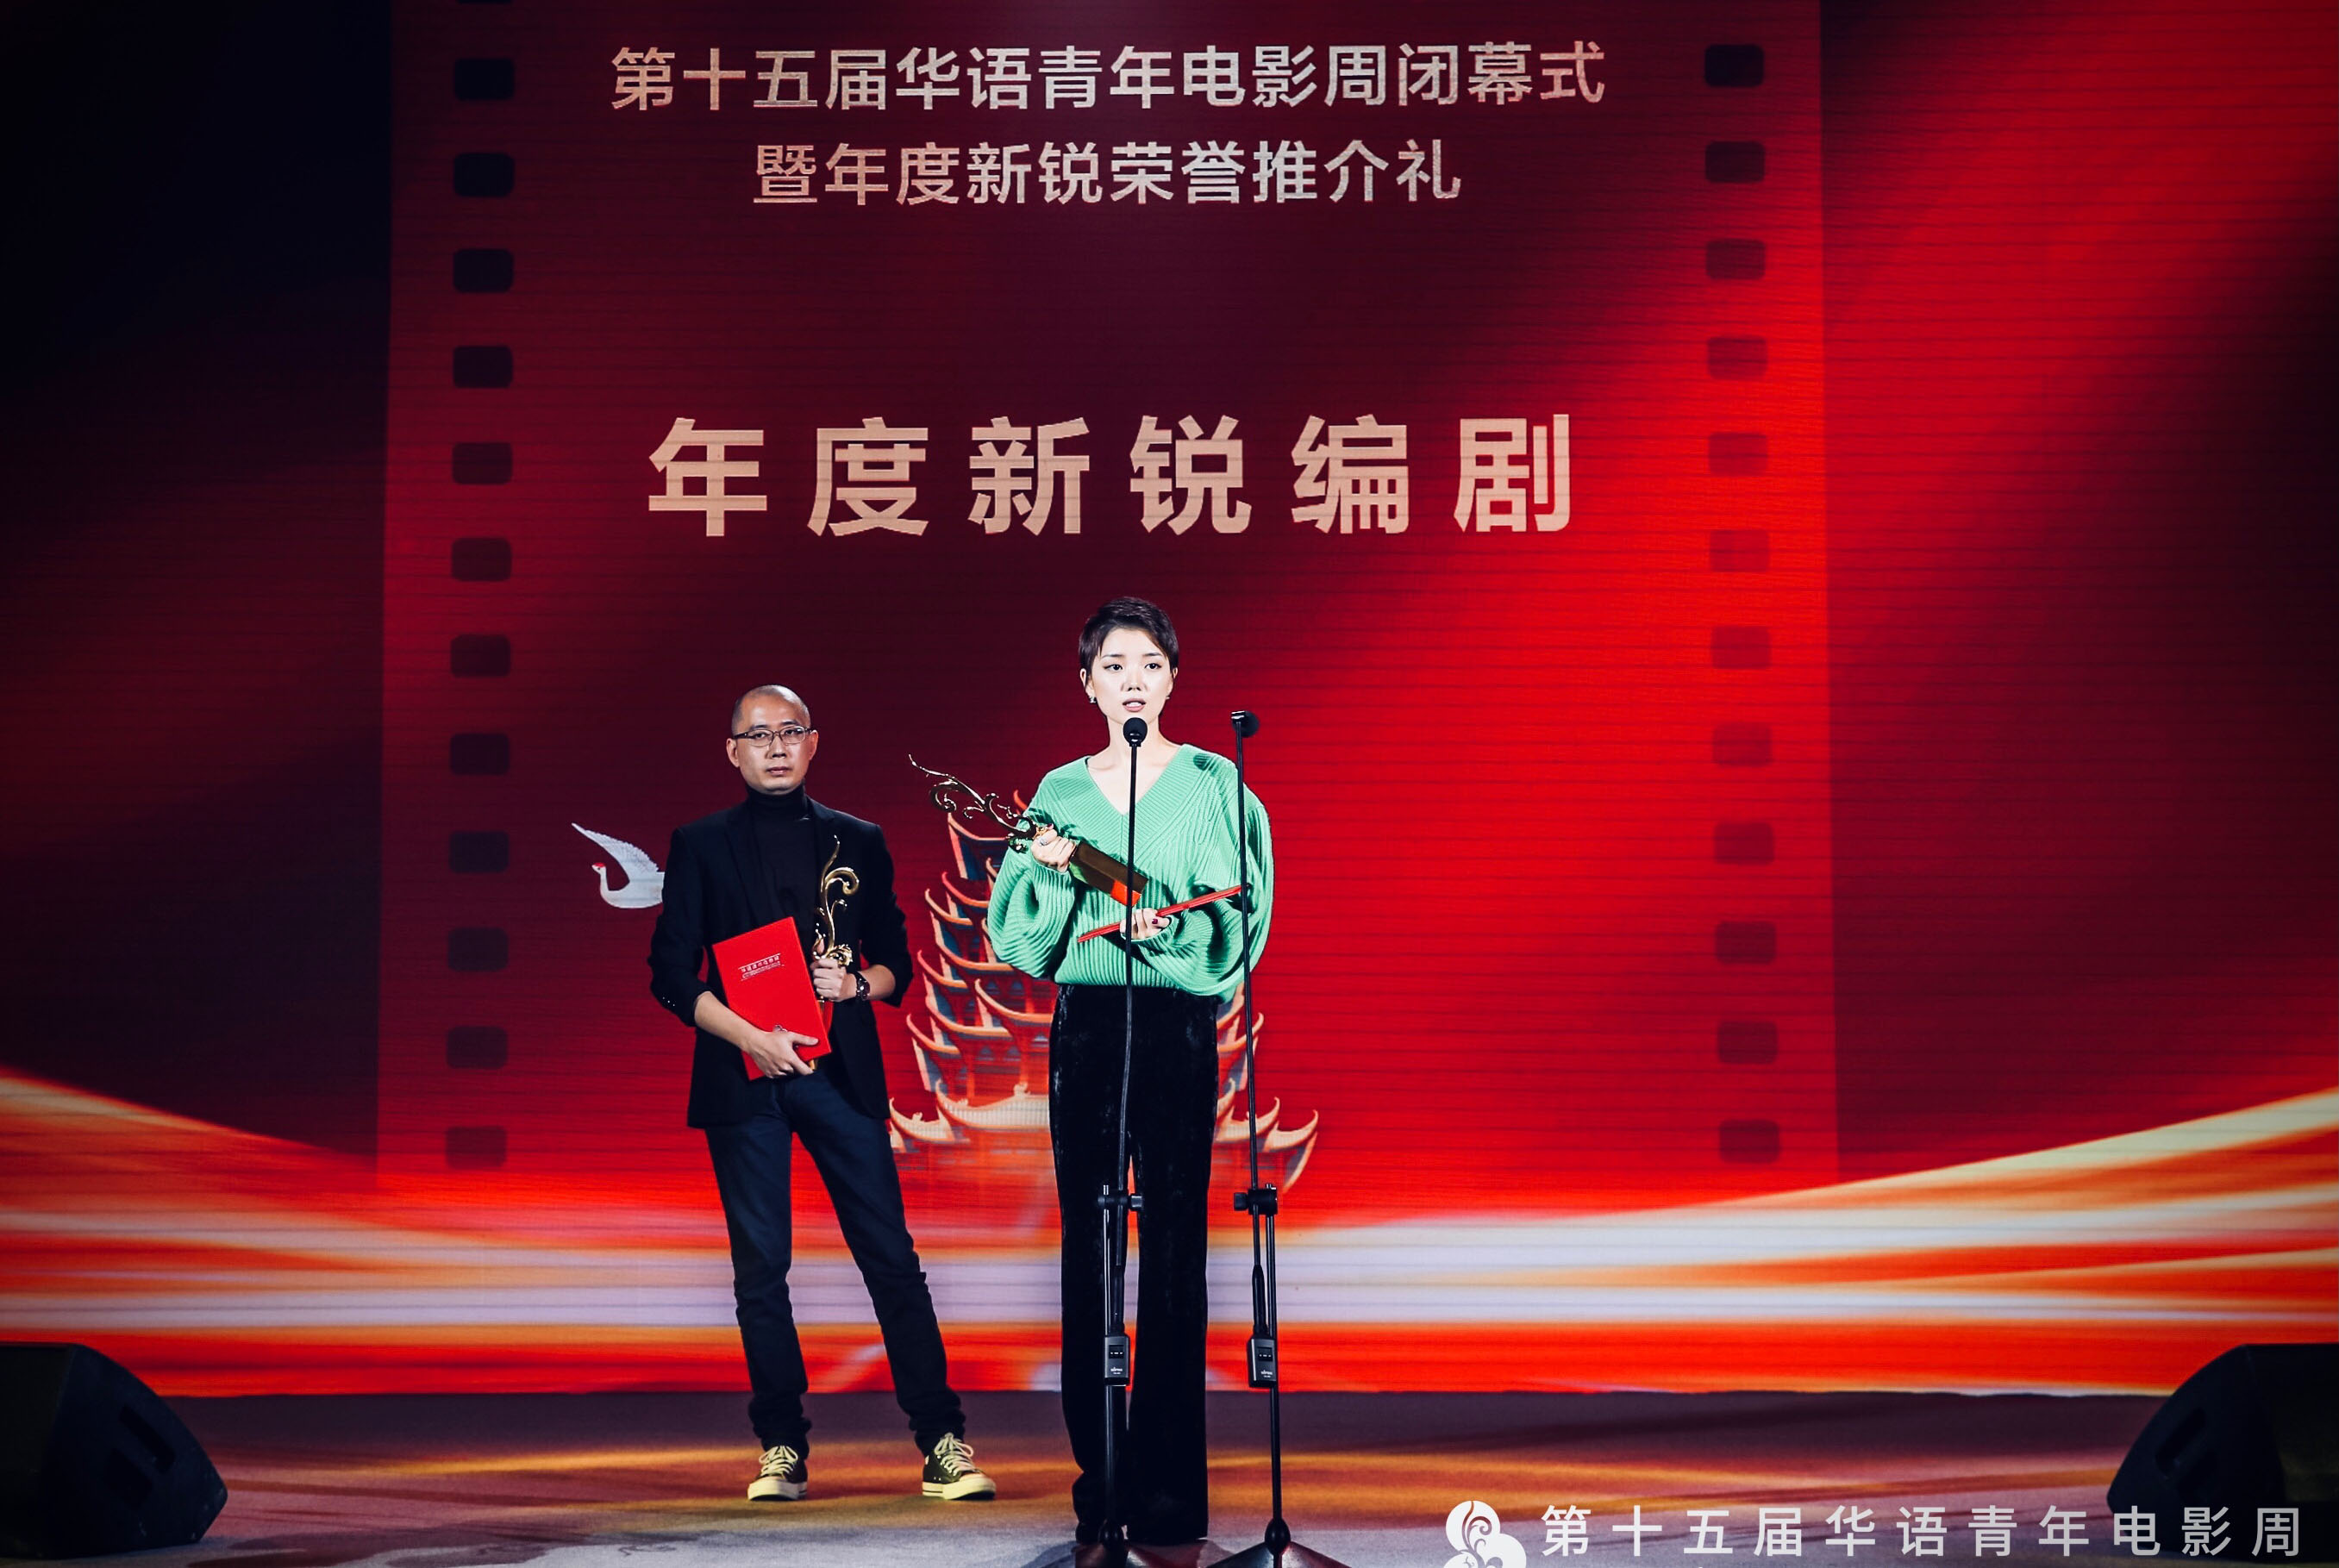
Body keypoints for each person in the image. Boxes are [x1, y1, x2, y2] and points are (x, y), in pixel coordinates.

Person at [647, 684, 994, 1505]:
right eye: (757, 734)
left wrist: (856, 984)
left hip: (839, 1077)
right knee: (761, 1270)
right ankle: (781, 1447)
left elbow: (896, 963)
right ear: (732, 751)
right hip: (745, 1080)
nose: (775, 746)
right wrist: (750, 1038)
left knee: (891, 1258)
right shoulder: (700, 844)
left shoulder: (857, 839)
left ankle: (942, 1441)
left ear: (812, 743)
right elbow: (668, 973)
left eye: (789, 731)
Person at [986, 597, 1273, 1545]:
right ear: (1088, 684)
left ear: (1172, 678)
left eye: (1149, 663)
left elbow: (1244, 920)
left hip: (1176, 1028)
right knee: (1092, 1244)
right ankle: (1102, 1486)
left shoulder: (1219, 784)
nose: (1133, 680)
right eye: (1114, 665)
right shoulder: (1057, 793)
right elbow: (1019, 933)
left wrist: (1173, 935)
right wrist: (1056, 874)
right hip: (1089, 1028)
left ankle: (1169, 1498)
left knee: (1177, 1249)